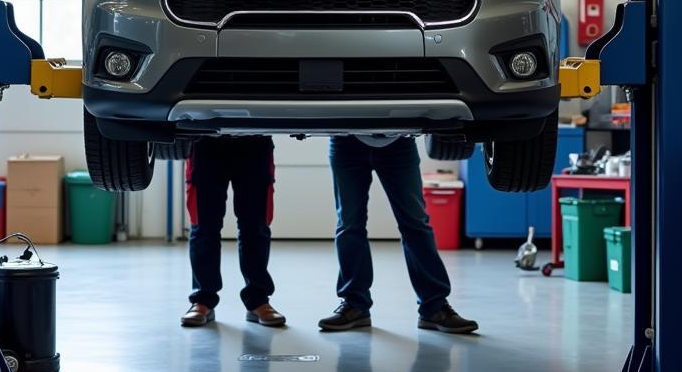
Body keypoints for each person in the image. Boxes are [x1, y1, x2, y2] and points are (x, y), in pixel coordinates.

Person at [319, 135, 478, 334]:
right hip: (346, 141)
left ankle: (434, 308)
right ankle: (354, 306)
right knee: (349, 225)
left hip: (397, 142)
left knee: (415, 224)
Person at [181, 135, 286, 328]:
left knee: (256, 226)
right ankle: (203, 300)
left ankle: (258, 300)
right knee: (203, 225)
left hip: (255, 138)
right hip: (206, 137)